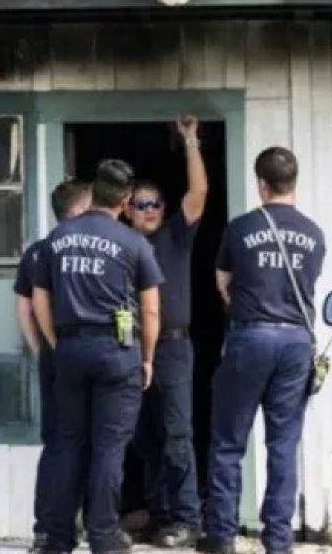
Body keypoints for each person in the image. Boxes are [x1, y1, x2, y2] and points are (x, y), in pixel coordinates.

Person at [199, 146, 326, 554]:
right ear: (293, 181)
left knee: (228, 443)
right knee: (283, 445)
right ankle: (278, 541)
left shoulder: (240, 229)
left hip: (250, 337)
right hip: (295, 342)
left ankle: (222, 536)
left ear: (261, 184)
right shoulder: (314, 234)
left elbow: (222, 283)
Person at [32, 158, 163, 554]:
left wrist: (57, 343)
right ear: (125, 200)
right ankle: (104, 537)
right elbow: (150, 310)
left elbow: (40, 300)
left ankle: (58, 538)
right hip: (117, 351)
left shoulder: (57, 238)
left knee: (67, 444)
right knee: (109, 448)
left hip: (70, 348)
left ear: (94, 194)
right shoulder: (134, 243)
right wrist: (147, 358)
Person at [125, 115, 209, 548]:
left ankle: (187, 518)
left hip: (173, 347)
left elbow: (198, 194)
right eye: (141, 204)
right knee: (145, 438)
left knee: (177, 435)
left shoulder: (175, 235)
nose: (151, 210)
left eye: (156, 203)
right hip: (131, 349)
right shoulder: (120, 244)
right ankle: (159, 517)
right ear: (126, 209)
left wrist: (190, 141)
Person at [14, 179, 92, 552]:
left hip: (53, 356)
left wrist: (42, 349)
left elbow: (23, 308)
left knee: (58, 442)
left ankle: (46, 527)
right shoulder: (86, 250)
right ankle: (89, 522)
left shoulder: (36, 252)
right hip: (83, 351)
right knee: (92, 440)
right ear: (78, 210)